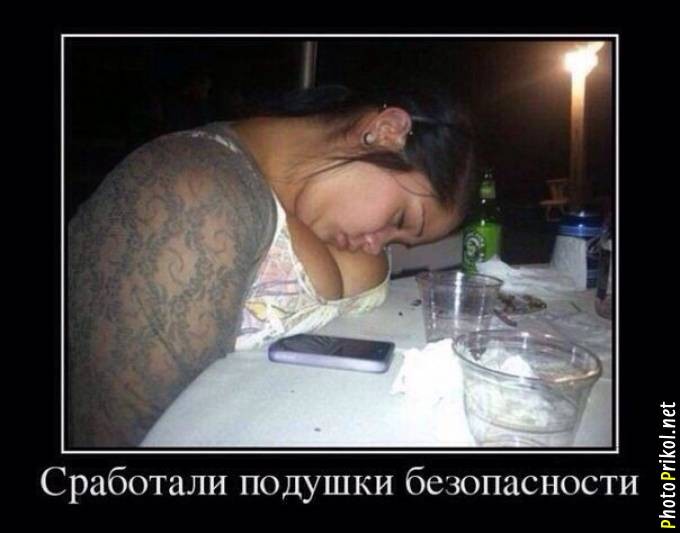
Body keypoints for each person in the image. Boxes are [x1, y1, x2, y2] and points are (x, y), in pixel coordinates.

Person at [67, 84, 476, 447]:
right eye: (399, 219)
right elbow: (135, 431)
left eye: (395, 242)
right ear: (386, 131)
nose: (375, 244)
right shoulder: (192, 192)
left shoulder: (297, 197)